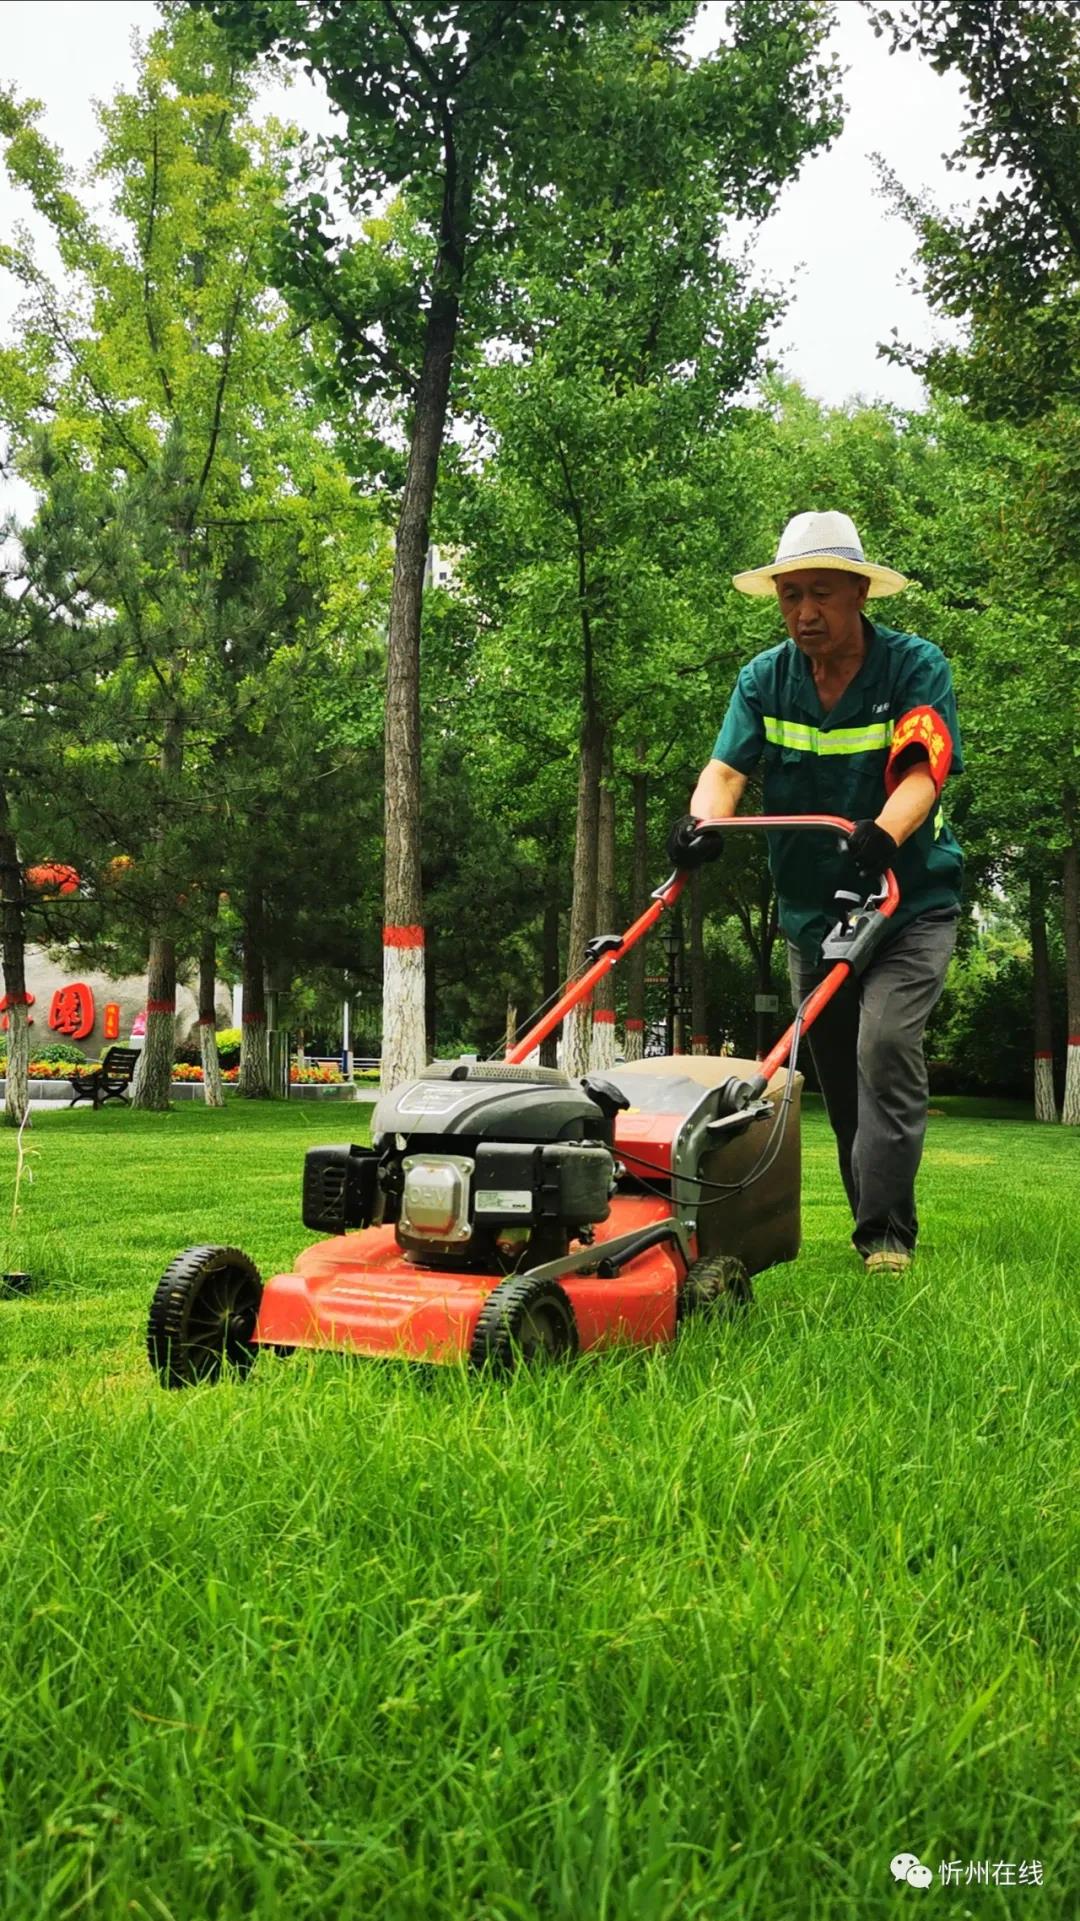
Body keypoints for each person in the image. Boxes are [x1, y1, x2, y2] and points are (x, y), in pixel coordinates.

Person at [671, 510, 963, 1275]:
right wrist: (703, 824)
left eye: (821, 594)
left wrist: (886, 832)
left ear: (859, 592)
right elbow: (725, 771)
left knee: (884, 1045)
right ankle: (872, 1217)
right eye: (790, 594)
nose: (804, 611)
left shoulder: (915, 667)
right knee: (839, 1079)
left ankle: (886, 1237)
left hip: (907, 901)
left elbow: (922, 772)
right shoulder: (764, 680)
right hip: (813, 919)